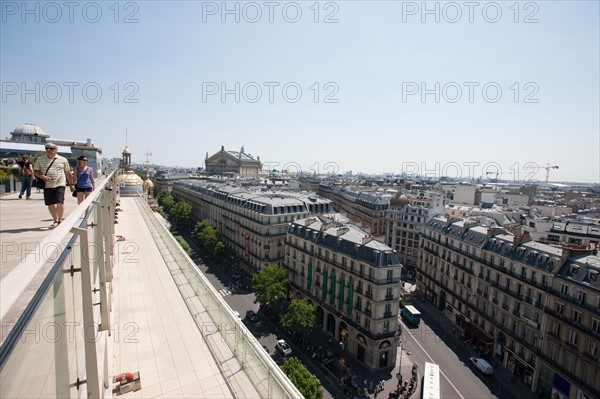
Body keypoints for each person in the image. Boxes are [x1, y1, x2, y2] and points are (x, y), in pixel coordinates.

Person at [33, 142, 74, 228]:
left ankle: (60, 220)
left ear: (56, 150)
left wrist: (71, 184)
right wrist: (42, 176)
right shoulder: (40, 159)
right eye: (46, 148)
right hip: (47, 184)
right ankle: (55, 220)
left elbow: (68, 172)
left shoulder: (63, 159)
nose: (48, 150)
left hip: (60, 183)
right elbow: (36, 170)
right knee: (50, 203)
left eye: (51, 148)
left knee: (60, 201)